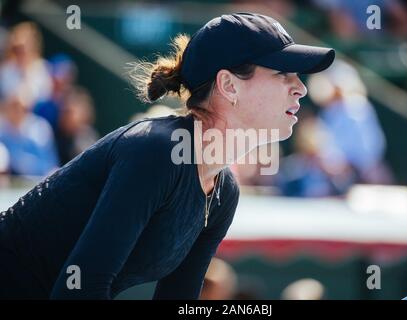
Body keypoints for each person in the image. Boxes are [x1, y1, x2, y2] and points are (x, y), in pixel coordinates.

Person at [0, 12, 334, 299]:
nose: (301, 88)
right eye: (282, 74)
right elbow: (78, 290)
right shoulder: (156, 152)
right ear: (229, 85)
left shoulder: (223, 191)